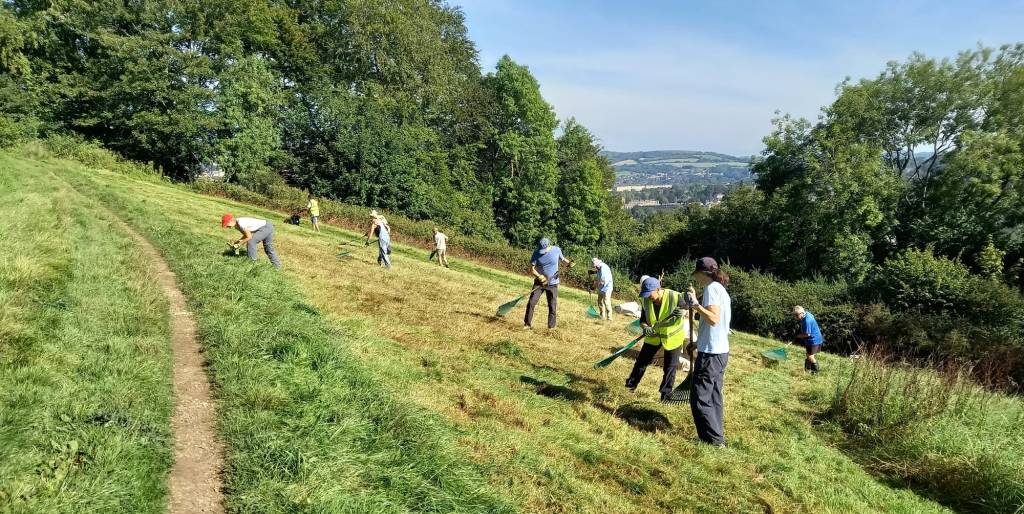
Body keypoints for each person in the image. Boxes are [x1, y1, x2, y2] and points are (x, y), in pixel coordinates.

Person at [685, 257, 731, 447]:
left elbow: (713, 319)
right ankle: (717, 437)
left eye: (696, 274)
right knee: (713, 396)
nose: (696, 278)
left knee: (699, 397)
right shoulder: (721, 289)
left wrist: (696, 305)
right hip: (720, 351)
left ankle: (712, 441)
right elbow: (717, 326)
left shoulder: (711, 289)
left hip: (711, 354)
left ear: (702, 273)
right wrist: (698, 343)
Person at [625, 277, 687, 401]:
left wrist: (684, 312)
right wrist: (645, 327)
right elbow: (643, 320)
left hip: (672, 338)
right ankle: (630, 386)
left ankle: (665, 396)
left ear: (658, 289)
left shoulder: (675, 296)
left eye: (650, 294)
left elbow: (689, 308)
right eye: (645, 294)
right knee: (641, 363)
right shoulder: (646, 300)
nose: (648, 297)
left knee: (670, 367)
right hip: (653, 337)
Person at [524, 237, 573, 329]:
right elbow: (532, 269)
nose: (542, 252)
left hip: (553, 283)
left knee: (552, 306)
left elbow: (563, 260)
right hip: (540, 283)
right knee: (531, 302)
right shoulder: (536, 253)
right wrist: (539, 277)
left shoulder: (557, 250)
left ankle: (551, 327)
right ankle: (527, 324)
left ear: (549, 246)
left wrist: (569, 263)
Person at [793, 305, 824, 374]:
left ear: (801, 313)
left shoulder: (807, 320)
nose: (795, 317)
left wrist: (798, 336)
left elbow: (807, 334)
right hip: (814, 339)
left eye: (796, 315)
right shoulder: (806, 313)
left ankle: (816, 372)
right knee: (808, 355)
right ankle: (807, 370)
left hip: (813, 340)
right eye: (794, 315)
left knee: (810, 356)